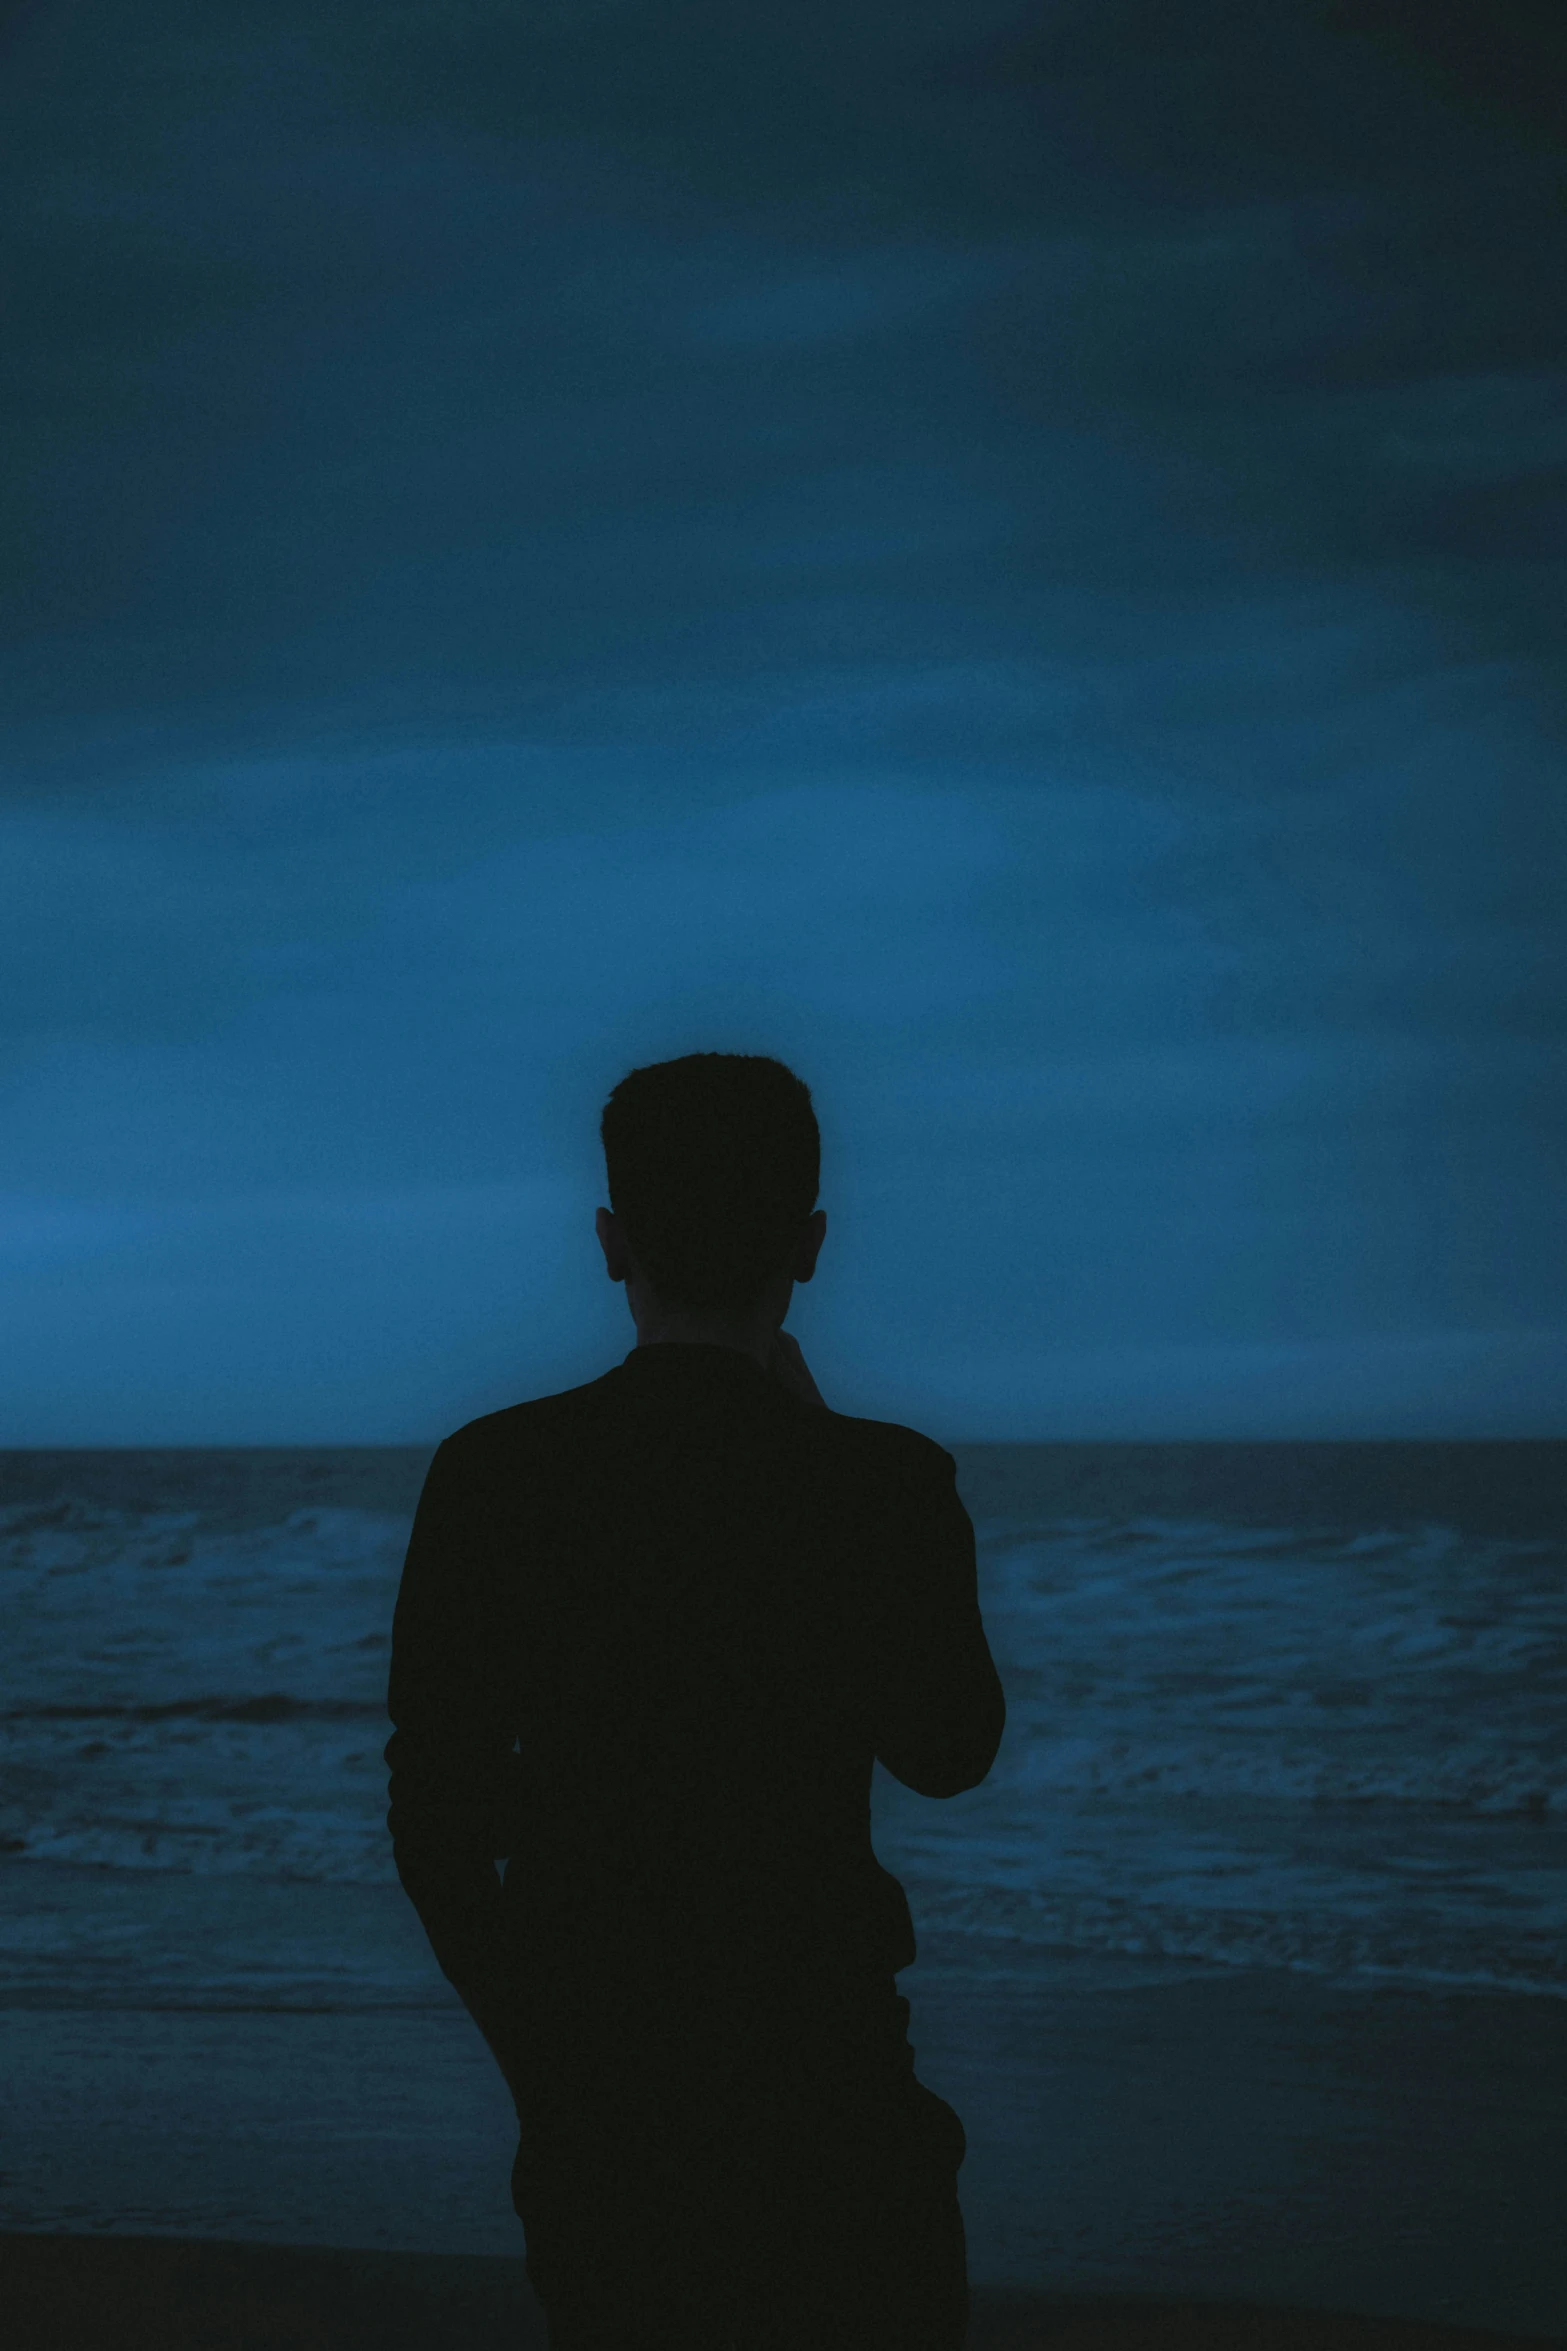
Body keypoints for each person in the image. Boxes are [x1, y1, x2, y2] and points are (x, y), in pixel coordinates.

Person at [385, 1051, 1006, 2348]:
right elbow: (950, 1747)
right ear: (812, 1243)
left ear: (613, 1241)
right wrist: (830, 1455)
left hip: (604, 2113)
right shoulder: (882, 1484)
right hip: (834, 2096)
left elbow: (434, 1815)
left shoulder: (496, 1474)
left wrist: (542, 2067)